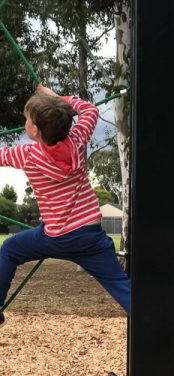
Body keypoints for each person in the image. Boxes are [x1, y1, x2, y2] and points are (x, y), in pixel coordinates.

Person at [0, 84, 130, 326]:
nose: (24, 122)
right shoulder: (78, 139)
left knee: (9, 249)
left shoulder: (28, 154)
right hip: (88, 236)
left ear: (35, 131)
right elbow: (89, 110)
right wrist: (57, 97)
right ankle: (156, 325)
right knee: (121, 285)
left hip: (55, 236)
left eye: (26, 119)